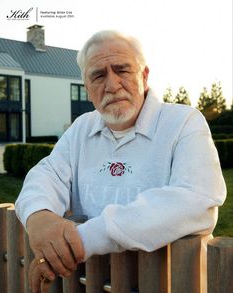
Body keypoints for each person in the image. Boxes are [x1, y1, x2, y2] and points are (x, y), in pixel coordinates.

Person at [15, 30, 226, 293]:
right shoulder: (81, 128)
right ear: (87, 88)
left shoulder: (183, 122)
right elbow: (46, 174)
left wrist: (81, 240)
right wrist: (38, 217)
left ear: (144, 76)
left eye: (122, 70)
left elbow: (197, 198)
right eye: (98, 75)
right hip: (88, 284)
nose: (112, 85)